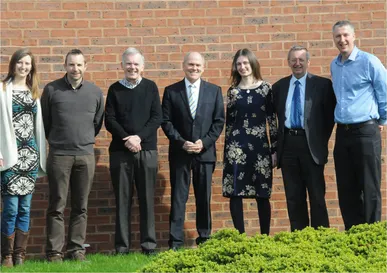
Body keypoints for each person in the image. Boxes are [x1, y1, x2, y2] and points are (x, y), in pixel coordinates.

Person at [41, 49, 104, 262]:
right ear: (65, 66)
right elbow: (45, 123)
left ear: (85, 66)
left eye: (79, 65)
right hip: (60, 155)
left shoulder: (95, 92)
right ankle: (54, 252)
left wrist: (83, 140)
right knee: (57, 204)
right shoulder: (51, 90)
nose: (75, 69)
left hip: (85, 155)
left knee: (81, 205)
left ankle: (76, 250)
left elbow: (97, 123)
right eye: (71, 65)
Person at [161, 52, 225, 249]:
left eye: (198, 65)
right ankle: (175, 241)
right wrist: (182, 142)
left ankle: (204, 239)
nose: (194, 68)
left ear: (203, 67)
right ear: (183, 66)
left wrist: (203, 143)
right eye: (190, 65)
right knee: (178, 198)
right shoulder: (171, 91)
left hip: (204, 154)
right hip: (180, 153)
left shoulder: (214, 91)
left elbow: (218, 121)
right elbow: (166, 121)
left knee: (203, 198)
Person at [272, 45, 336, 232]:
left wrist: (319, 139)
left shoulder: (323, 85)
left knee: (317, 195)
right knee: (293, 196)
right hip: (288, 146)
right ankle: (298, 238)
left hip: (312, 146)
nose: (297, 63)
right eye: (293, 60)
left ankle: (321, 238)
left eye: (301, 59)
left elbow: (329, 118)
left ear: (308, 62)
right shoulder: (279, 87)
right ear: (288, 62)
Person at [105, 47, 162, 255]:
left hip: (146, 151)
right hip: (121, 152)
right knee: (122, 200)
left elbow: (157, 117)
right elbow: (109, 119)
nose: (132, 67)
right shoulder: (114, 89)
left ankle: (149, 245)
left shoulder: (151, 87)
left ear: (143, 67)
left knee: (147, 199)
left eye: (136, 64)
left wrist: (139, 137)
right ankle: (122, 247)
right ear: (122, 65)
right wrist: (127, 139)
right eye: (128, 63)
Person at [330, 21, 386, 230]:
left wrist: (381, 120)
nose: (342, 40)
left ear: (354, 36)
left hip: (365, 131)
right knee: (346, 188)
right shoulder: (334, 65)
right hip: (342, 133)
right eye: (337, 36)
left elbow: (384, 91)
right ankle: (353, 236)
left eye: (345, 35)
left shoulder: (369, 61)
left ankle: (371, 237)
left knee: (369, 187)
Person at [222, 48, 277, 235]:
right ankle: (240, 236)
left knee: (262, 192)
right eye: (239, 64)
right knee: (235, 192)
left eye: (245, 63)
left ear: (253, 64)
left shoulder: (265, 88)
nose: (242, 67)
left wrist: (274, 149)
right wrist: (226, 152)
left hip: (260, 148)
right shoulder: (232, 92)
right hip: (236, 148)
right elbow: (228, 124)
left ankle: (264, 237)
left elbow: (272, 121)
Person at [0, 48, 46, 267]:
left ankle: (20, 255)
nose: (23, 67)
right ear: (13, 64)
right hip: (10, 156)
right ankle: (6, 256)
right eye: (20, 62)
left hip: (30, 157)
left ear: (31, 67)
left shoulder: (33, 91)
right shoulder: (2, 89)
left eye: (27, 63)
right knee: (10, 208)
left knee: (25, 208)